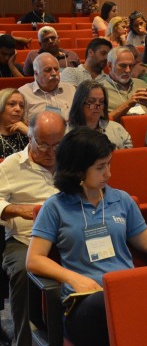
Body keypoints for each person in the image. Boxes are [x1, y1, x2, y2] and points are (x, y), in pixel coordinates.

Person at [26, 127, 147, 346]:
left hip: (127, 292)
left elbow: (146, 242)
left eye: (109, 164)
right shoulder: (55, 207)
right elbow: (34, 259)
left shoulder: (121, 200)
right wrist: (74, 278)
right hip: (84, 302)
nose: (108, 173)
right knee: (111, 304)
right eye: (100, 167)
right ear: (78, 170)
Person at [0, 111, 65, 346]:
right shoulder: (11, 165)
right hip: (25, 239)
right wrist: (19, 210)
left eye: (57, 144)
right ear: (29, 136)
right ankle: (24, 342)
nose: (51, 152)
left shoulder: (72, 162)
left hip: (67, 238)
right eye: (44, 145)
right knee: (21, 272)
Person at [99, 46, 147, 121]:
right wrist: (128, 105)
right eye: (123, 66)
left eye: (131, 66)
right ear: (110, 65)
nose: (128, 70)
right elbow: (100, 122)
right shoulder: (99, 89)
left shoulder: (141, 84)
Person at [68, 80, 132, 149]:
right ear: (80, 103)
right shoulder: (66, 132)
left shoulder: (117, 129)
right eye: (92, 101)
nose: (97, 106)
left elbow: (128, 156)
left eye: (101, 101)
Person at [19, 53, 76, 121]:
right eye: (48, 70)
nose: (54, 73)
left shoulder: (71, 90)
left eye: (56, 69)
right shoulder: (23, 93)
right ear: (36, 73)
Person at [0, 88, 28, 157]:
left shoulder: (27, 134)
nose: (18, 109)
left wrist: (29, 132)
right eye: (12, 104)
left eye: (21, 106)